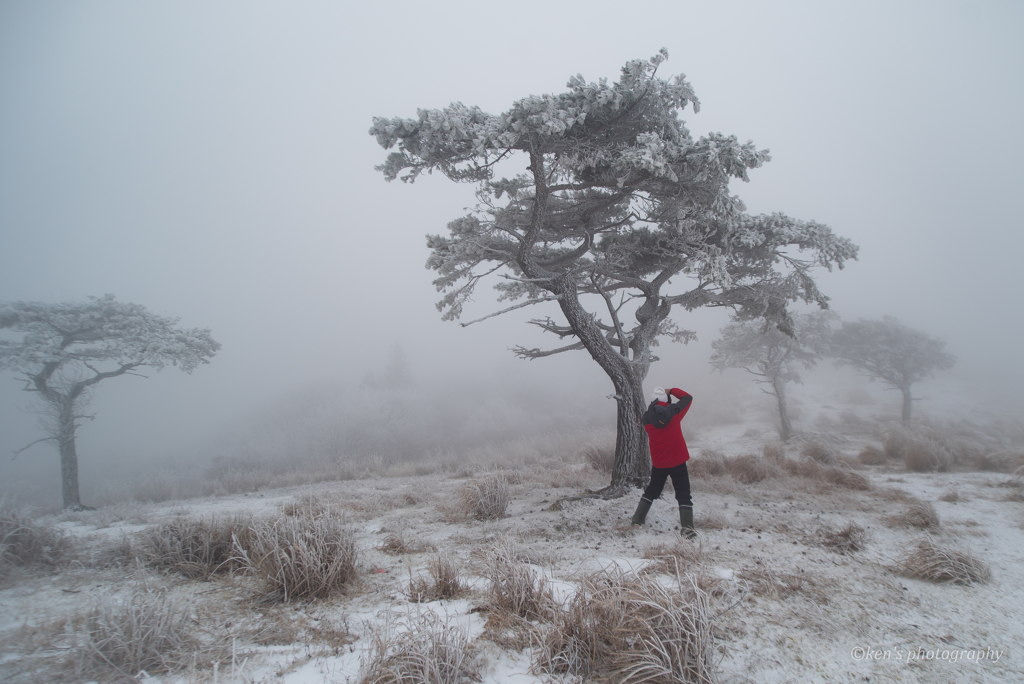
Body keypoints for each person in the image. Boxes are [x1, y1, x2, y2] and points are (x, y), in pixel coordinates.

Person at [630, 386, 695, 537]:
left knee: (652, 490)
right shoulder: (675, 412)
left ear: (652, 401)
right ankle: (687, 528)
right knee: (684, 493)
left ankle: (637, 520)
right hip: (678, 461)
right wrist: (671, 390)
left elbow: (654, 414)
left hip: (659, 462)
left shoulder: (646, 418)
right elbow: (687, 398)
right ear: (667, 400)